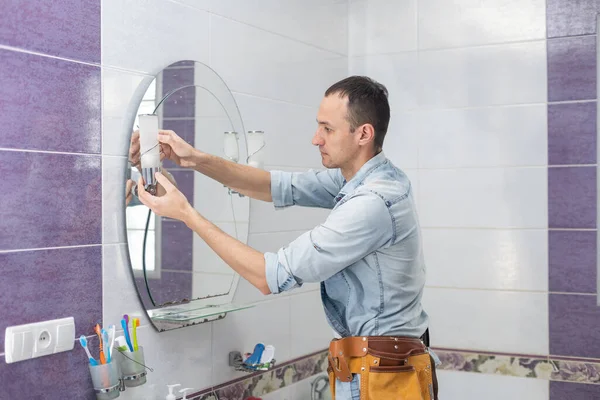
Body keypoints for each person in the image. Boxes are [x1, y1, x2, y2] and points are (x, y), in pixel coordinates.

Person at [134, 76, 439, 400]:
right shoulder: (371, 177)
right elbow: (276, 186)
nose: (315, 139)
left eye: (327, 129)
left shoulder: (372, 203)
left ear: (363, 133)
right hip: (377, 368)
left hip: (382, 379)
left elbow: (270, 275)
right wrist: (195, 159)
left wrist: (186, 213)